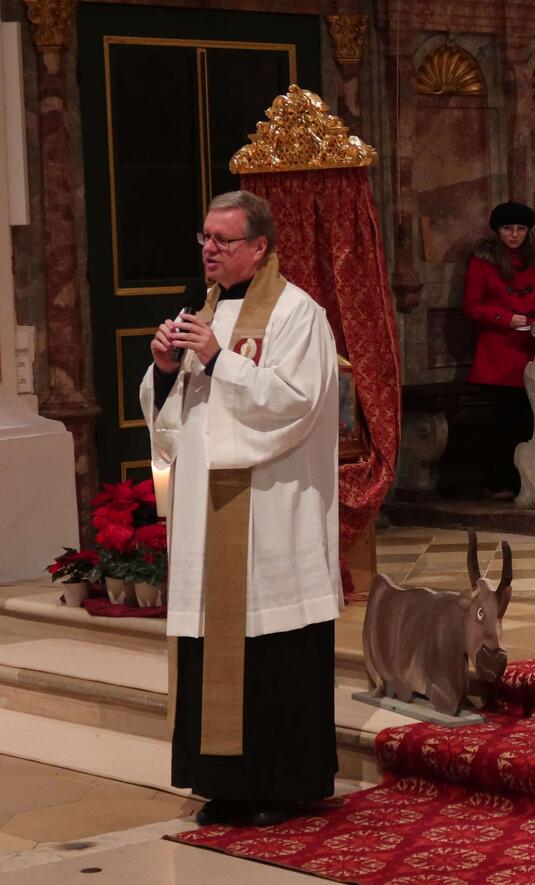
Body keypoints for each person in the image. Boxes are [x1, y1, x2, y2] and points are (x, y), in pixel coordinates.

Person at [139, 191, 341, 827]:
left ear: (260, 247)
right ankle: (222, 783)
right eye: (205, 237)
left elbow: (296, 404)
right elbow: (175, 424)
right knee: (212, 641)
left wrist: (219, 359)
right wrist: (167, 368)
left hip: (270, 514)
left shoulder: (295, 313)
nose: (210, 250)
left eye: (224, 241)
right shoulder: (200, 312)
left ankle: (280, 787)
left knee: (271, 648)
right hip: (209, 510)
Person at [464, 201, 535, 500]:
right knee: (503, 424)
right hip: (498, 354)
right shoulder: (482, 263)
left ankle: (525, 481)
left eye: (520, 229)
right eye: (508, 229)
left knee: (528, 420)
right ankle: (500, 482)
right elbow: (473, 306)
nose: (514, 235)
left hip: (528, 348)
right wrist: (505, 318)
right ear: (497, 231)